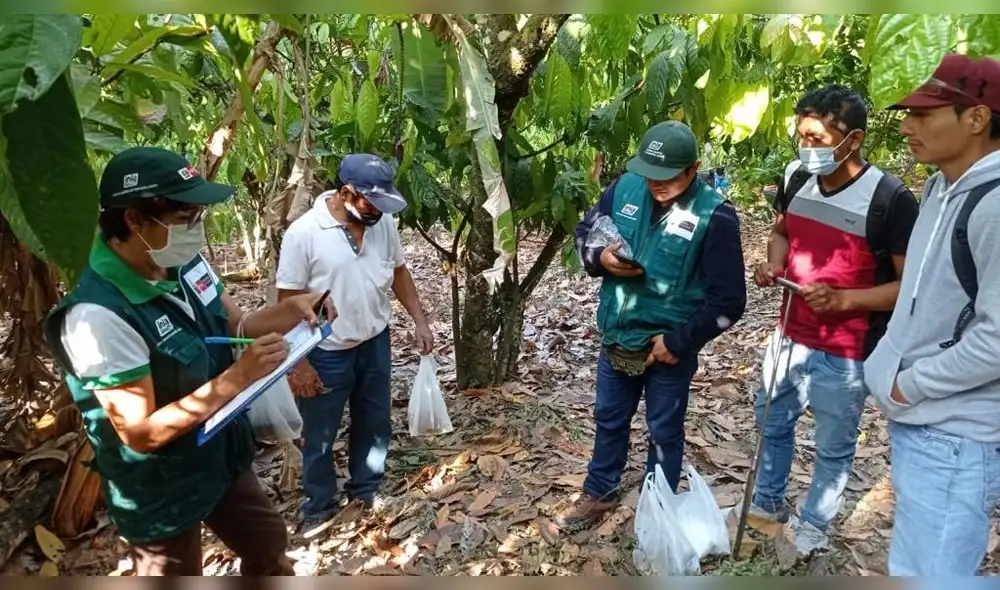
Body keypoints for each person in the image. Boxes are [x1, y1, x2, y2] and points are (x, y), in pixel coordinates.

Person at [42, 147, 334, 576]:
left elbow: (238, 324)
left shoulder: (180, 260)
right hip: (160, 484)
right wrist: (237, 377)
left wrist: (292, 310)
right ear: (135, 220)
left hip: (218, 454)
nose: (196, 229)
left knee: (268, 545)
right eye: (185, 218)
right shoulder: (98, 316)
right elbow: (140, 433)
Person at [748, 84, 920, 554]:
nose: (807, 148)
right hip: (789, 335)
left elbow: (909, 289)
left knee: (833, 445)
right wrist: (775, 264)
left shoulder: (889, 199)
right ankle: (766, 506)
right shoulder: (796, 176)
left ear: (854, 139)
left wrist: (844, 300)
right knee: (771, 422)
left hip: (847, 352)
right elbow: (782, 232)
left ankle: (813, 525)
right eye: (801, 136)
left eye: (818, 139)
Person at [555, 121, 747, 530]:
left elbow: (729, 300)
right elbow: (586, 231)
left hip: (667, 348)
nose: (656, 184)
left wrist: (679, 342)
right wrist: (601, 258)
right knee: (609, 417)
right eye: (649, 174)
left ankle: (658, 506)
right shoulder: (624, 188)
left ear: (693, 169)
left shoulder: (715, 215)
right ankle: (600, 491)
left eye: (668, 176)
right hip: (618, 334)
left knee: (664, 429)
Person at [864, 54, 1000, 576]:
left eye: (924, 115)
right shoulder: (942, 186)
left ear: (977, 118)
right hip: (925, 419)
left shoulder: (993, 206)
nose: (907, 127)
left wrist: (912, 384)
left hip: (956, 430)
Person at [276, 153, 434, 533]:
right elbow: (288, 300)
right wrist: (299, 363)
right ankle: (319, 506)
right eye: (370, 202)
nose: (377, 211)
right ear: (346, 193)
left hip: (374, 341)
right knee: (320, 433)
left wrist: (419, 319)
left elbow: (399, 272)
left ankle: (366, 489)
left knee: (374, 421)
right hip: (324, 350)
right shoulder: (303, 233)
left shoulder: (383, 223)